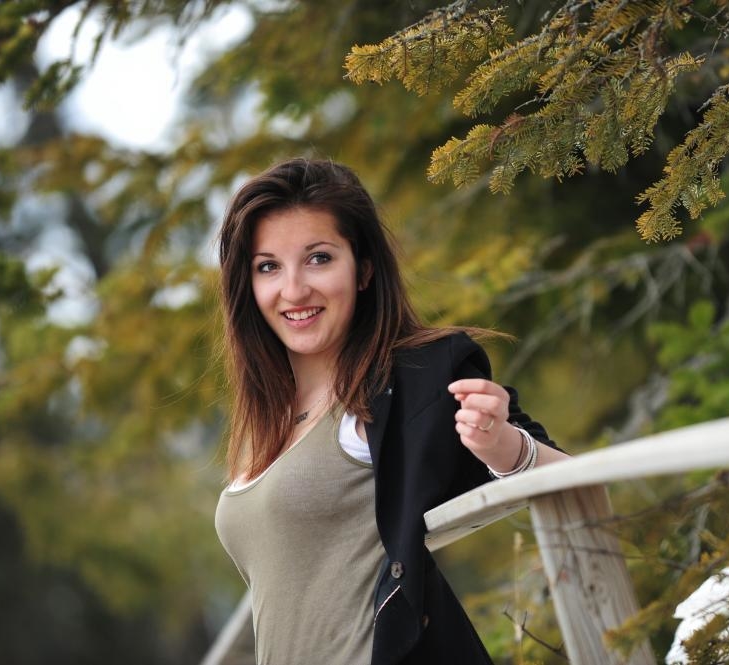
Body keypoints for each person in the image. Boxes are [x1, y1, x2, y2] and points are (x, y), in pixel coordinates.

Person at [213, 158, 569, 665]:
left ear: (363, 269)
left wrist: (502, 445)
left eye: (318, 258)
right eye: (268, 266)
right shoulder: (270, 419)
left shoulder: (406, 382)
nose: (293, 290)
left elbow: (568, 476)